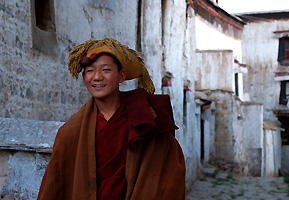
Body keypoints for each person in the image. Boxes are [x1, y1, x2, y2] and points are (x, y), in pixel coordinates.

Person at [37, 38, 186, 200]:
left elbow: (169, 168)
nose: (97, 77)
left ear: (121, 76)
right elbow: (56, 182)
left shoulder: (147, 116)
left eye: (106, 70)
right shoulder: (71, 131)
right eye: (89, 71)